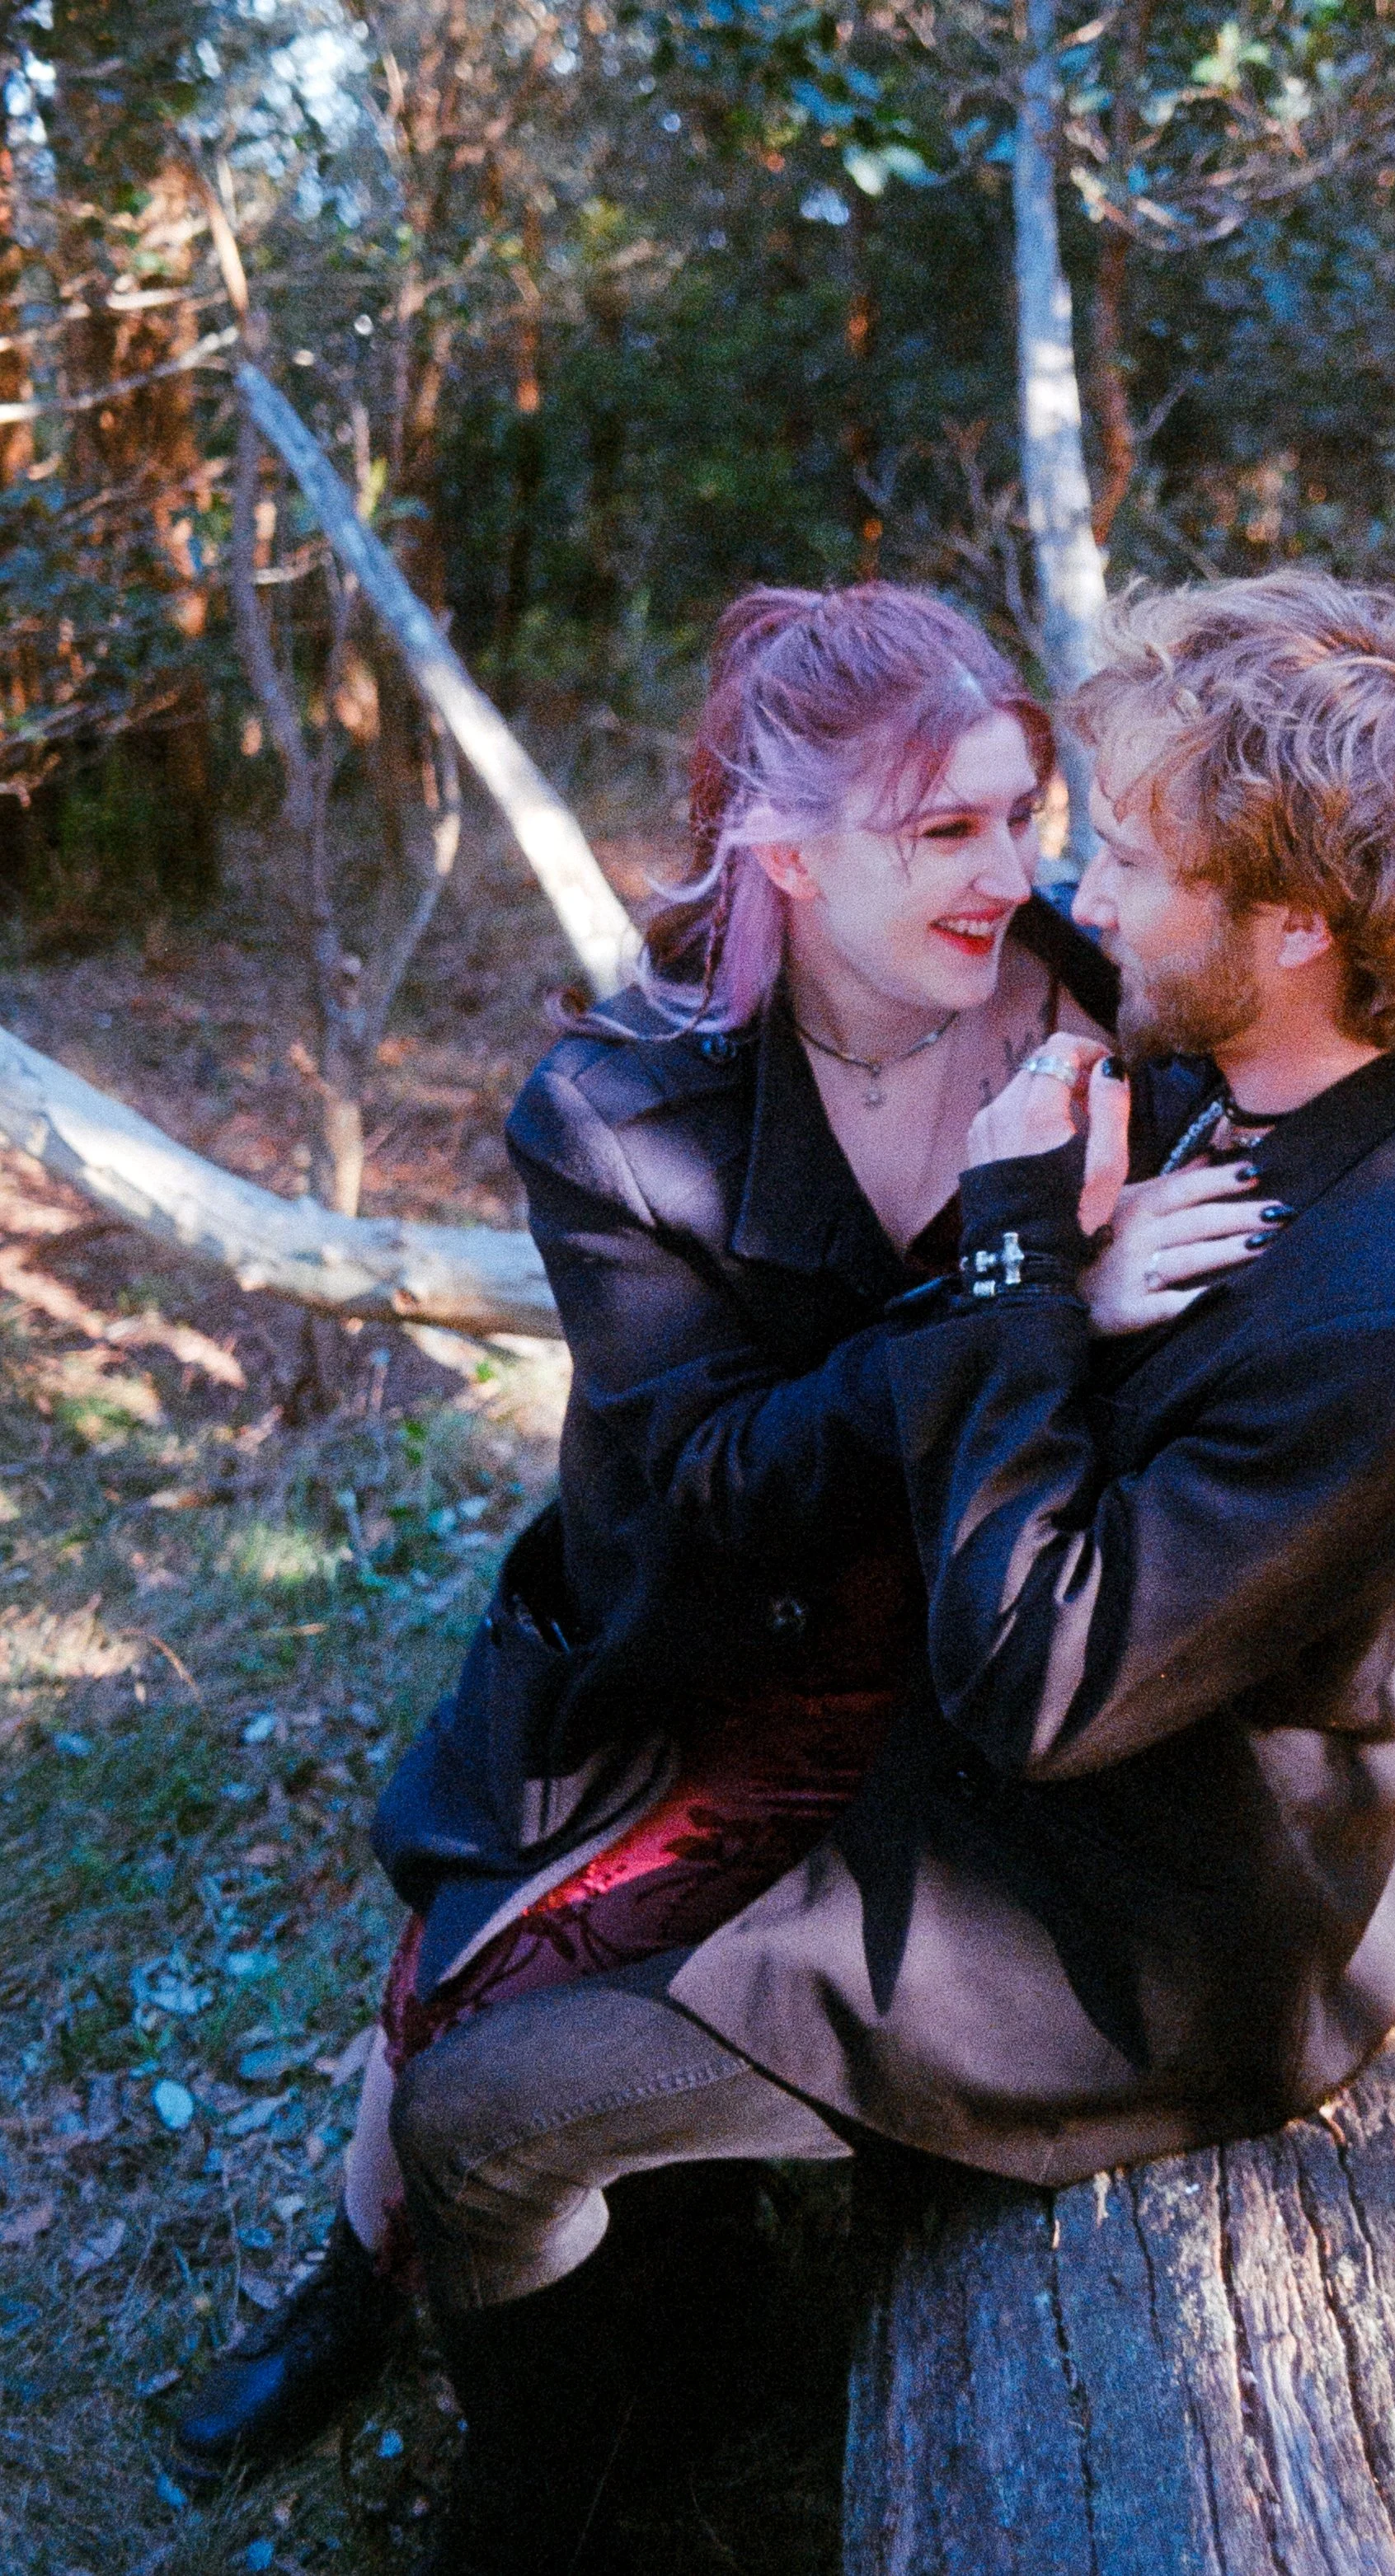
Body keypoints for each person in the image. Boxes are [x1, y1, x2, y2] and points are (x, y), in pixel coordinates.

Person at [383, 569, 1395, 2574]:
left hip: (1126, 1913)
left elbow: (1038, 1668)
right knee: (459, 1993)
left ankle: (542, 2522)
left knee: (481, 2123)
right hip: (919, 1721)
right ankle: (562, 2334)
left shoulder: (1388, 1291)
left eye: (1119, 848)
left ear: (1287, 924)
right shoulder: (1239, 1062)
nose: (1067, 895)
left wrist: (1021, 1255)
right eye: (1006, 832)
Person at [171, 582, 1284, 2483]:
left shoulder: (1095, 999)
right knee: (476, 1951)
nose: (1006, 871)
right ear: (779, 851)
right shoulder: (612, 1107)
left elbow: (1316, 1074)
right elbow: (722, 1473)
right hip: (697, 1623)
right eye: (940, 830)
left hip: (974, 1618)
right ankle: (354, 2281)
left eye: (1019, 813)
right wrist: (1032, 1303)